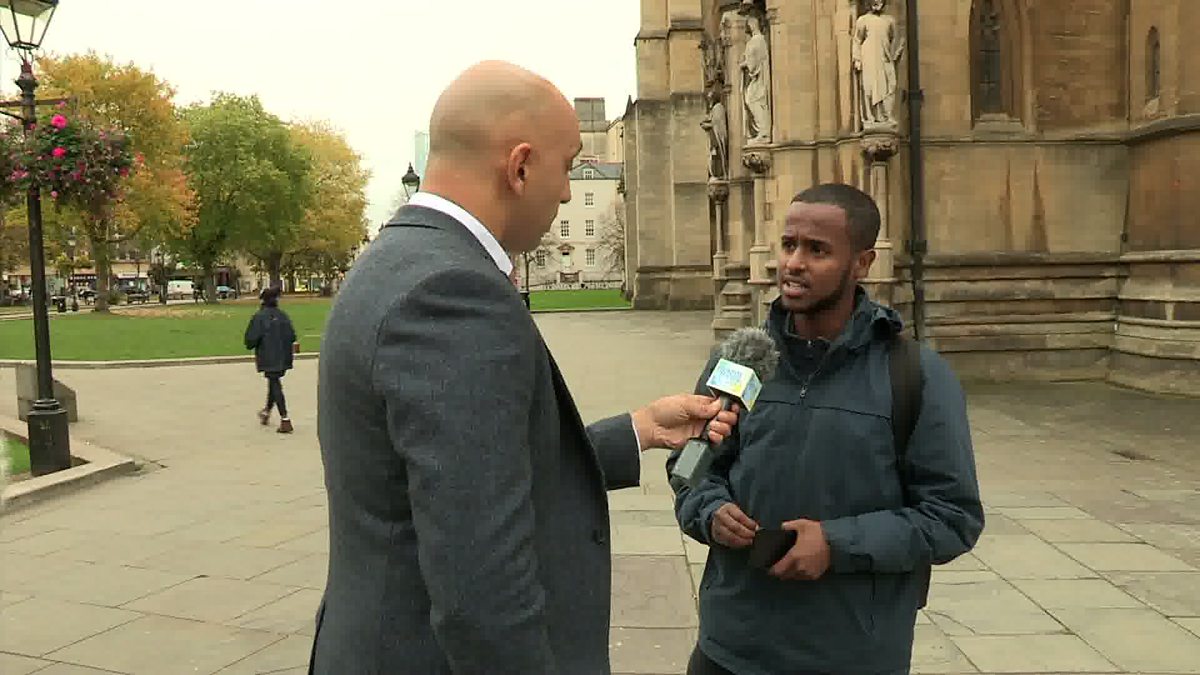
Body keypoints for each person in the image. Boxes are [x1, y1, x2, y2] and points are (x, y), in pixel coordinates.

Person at [309, 60, 741, 675]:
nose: (565, 193)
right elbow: (481, 593)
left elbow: (465, 471)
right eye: (565, 167)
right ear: (519, 167)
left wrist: (639, 429)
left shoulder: (400, 257)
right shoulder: (454, 292)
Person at [671, 184, 984, 675]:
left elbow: (952, 517)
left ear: (862, 263)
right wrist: (710, 510)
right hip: (730, 648)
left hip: (851, 654)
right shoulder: (741, 361)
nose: (793, 263)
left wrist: (836, 544)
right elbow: (690, 466)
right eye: (788, 244)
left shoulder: (914, 375)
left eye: (817, 250)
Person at [244, 285, 297, 434]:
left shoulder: (259, 317)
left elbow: (250, 340)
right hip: (284, 355)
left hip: (268, 355)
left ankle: (285, 418)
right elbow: (292, 336)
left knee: (275, 383)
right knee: (273, 382)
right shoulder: (283, 315)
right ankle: (266, 411)